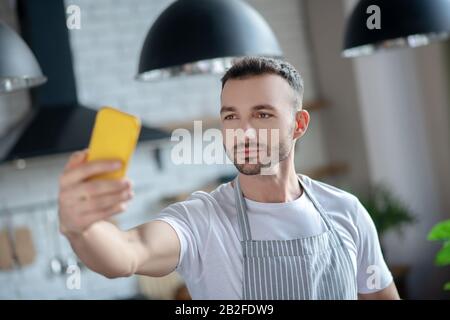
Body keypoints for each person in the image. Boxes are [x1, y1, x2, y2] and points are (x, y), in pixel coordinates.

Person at [58, 57, 399, 300]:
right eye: (231, 117)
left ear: (298, 124)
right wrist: (79, 228)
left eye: (262, 114)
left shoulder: (345, 211)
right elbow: (129, 254)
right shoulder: (201, 220)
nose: (243, 132)